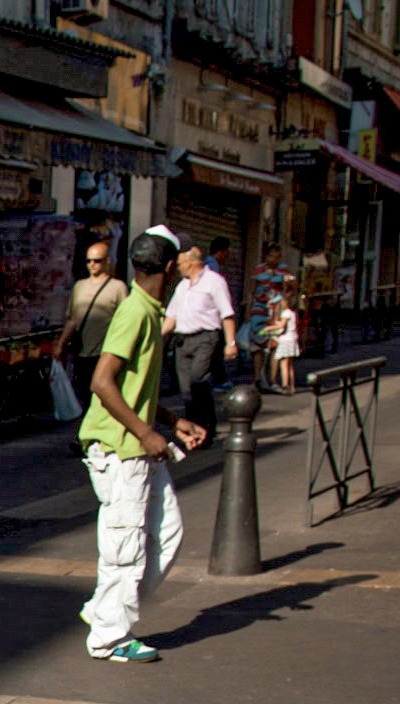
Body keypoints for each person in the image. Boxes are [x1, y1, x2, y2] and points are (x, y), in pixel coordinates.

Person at [79, 228, 207, 664]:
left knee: (166, 531)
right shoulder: (136, 312)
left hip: (135, 445)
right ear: (170, 268)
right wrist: (148, 433)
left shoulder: (149, 311)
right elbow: (102, 381)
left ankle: (103, 610)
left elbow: (137, 391)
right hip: (120, 450)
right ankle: (109, 637)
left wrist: (172, 422)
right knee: (126, 544)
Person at [164, 246, 237, 430]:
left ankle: (207, 426)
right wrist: (155, 337)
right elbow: (171, 317)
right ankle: (194, 427)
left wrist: (230, 343)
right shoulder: (182, 286)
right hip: (182, 341)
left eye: (179, 263)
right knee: (186, 389)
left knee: (198, 380)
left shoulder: (214, 282)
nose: (177, 267)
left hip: (205, 338)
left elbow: (226, 313)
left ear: (190, 263)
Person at [52, 237, 128, 399]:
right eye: (88, 261)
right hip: (82, 353)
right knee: (84, 395)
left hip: (106, 353)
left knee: (105, 396)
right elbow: (72, 319)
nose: (92, 264)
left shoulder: (118, 287)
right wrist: (60, 345)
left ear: (107, 261)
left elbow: (125, 322)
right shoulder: (79, 286)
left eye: (97, 261)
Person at [248, 244, 294, 390]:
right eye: (271, 256)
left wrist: (286, 288)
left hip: (276, 311)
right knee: (257, 344)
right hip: (259, 310)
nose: (273, 259)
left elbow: (291, 291)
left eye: (276, 256)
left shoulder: (283, 270)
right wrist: (248, 311)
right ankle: (257, 378)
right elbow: (252, 291)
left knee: (274, 344)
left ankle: (273, 380)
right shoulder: (259, 270)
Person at [269, 285, 303, 395]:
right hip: (293, 340)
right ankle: (292, 386)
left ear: (286, 302)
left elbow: (281, 326)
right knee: (290, 365)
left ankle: (285, 386)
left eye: (283, 301)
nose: (281, 303)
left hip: (285, 341)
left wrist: (268, 328)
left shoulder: (286, 313)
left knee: (283, 364)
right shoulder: (294, 313)